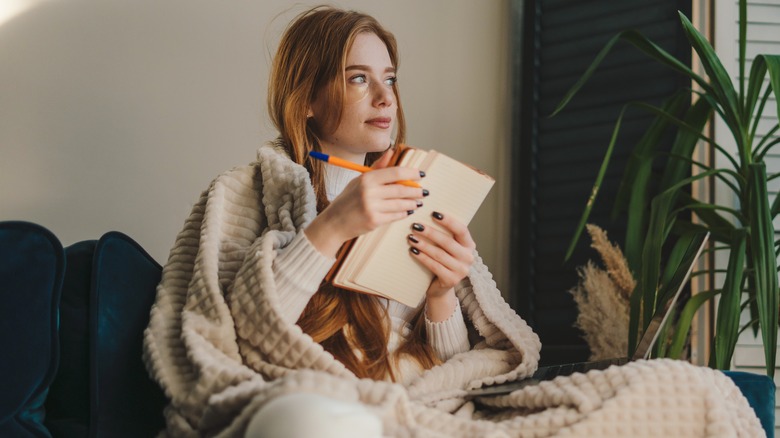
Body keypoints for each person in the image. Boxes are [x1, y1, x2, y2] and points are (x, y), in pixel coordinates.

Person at [143, 6, 763, 438]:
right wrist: (329, 230)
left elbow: (455, 373)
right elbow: (232, 336)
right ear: (306, 98)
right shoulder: (246, 194)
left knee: (689, 389)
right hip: (325, 403)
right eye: (360, 79)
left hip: (434, 412)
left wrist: (442, 296)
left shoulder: (419, 187)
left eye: (390, 78)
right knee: (304, 421)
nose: (386, 98)